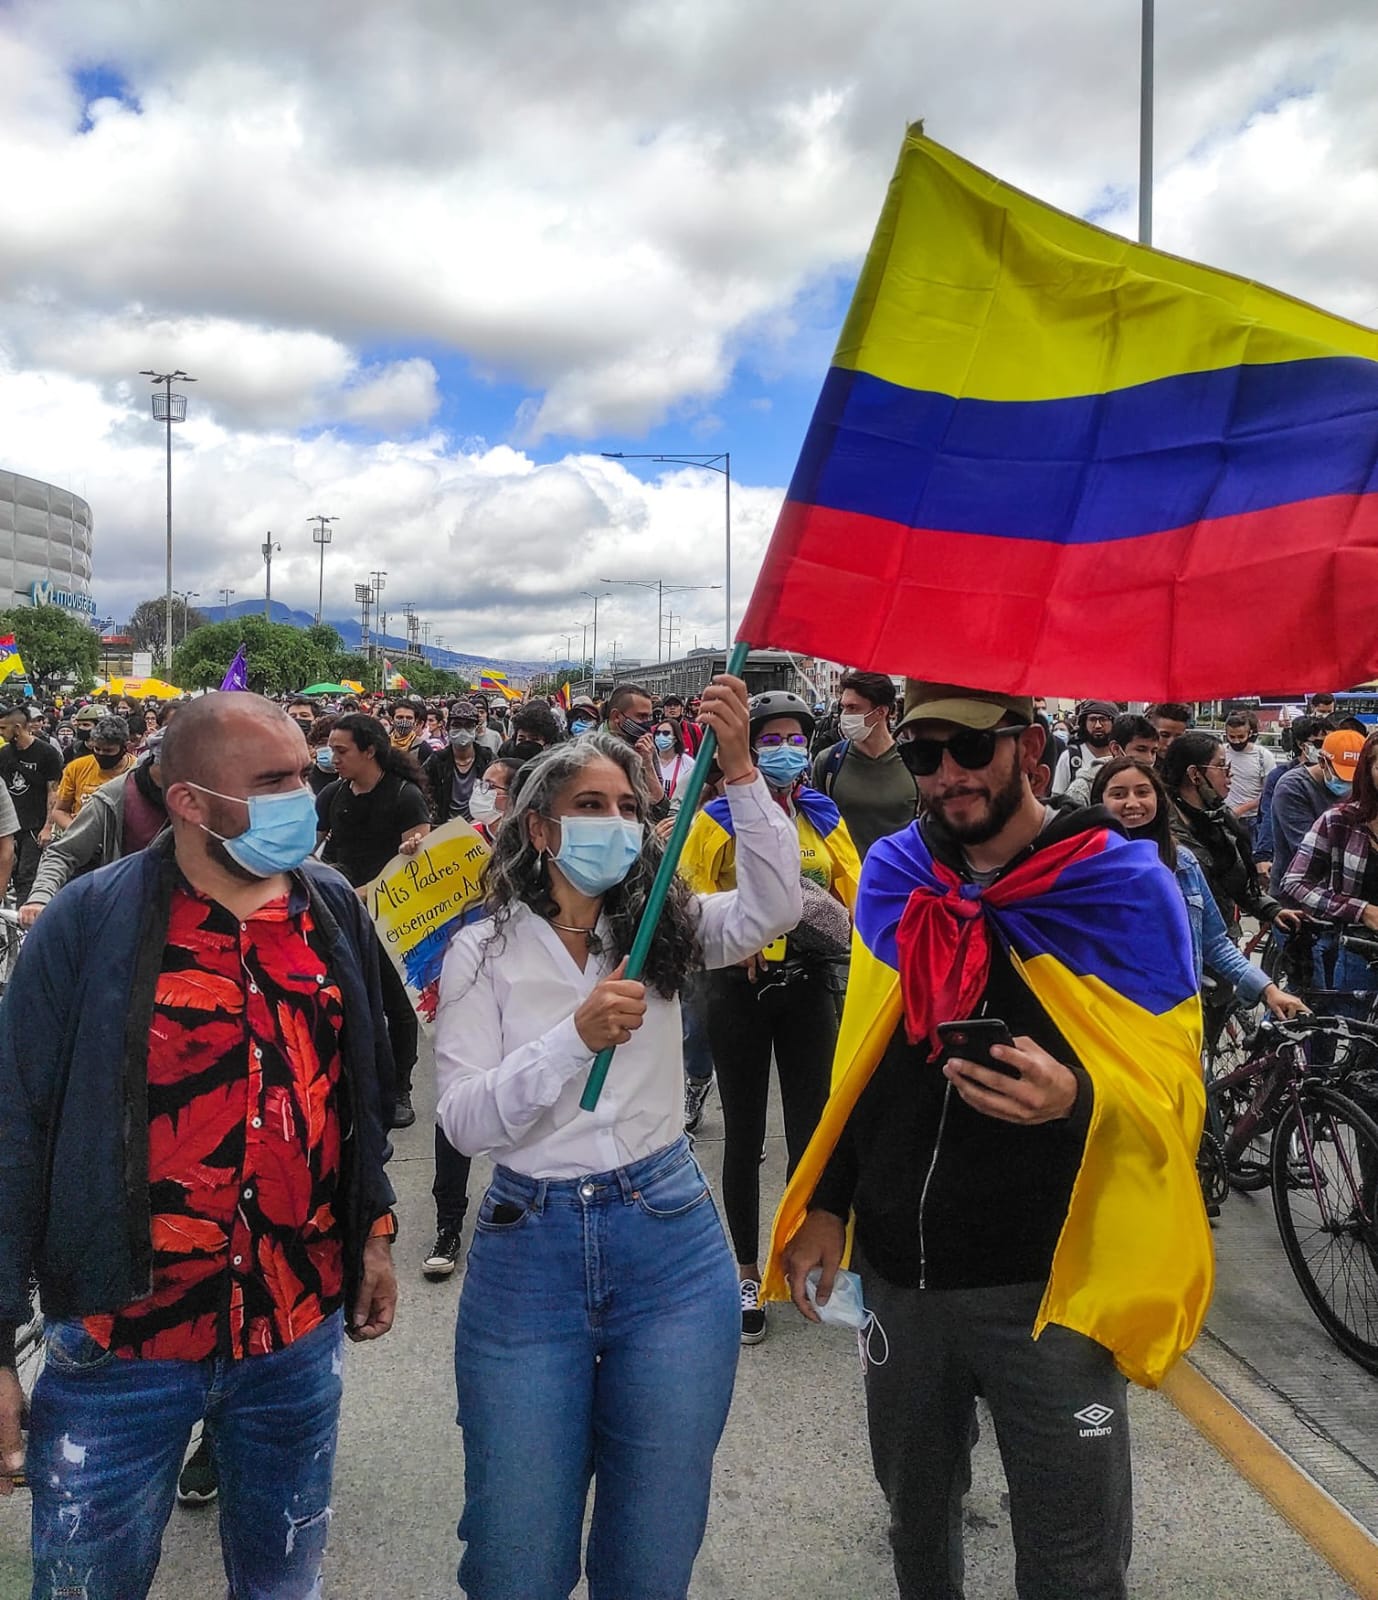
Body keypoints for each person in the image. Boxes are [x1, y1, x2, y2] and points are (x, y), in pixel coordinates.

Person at [772, 680, 1210, 1600]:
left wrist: (1079, 1099)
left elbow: (1175, 1080)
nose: (948, 775)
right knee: (917, 1535)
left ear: (1030, 748)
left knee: (1073, 1561)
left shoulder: (1124, 886)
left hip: (1050, 1286)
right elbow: (867, 1061)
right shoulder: (896, 875)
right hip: (903, 1278)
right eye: (926, 755)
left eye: (971, 749)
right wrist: (828, 1203)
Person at [0, 692, 398, 1598]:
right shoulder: (90, 924)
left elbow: (355, 1090)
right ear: (188, 803)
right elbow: (14, 1127)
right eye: (274, 782)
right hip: (119, 1347)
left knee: (280, 1585)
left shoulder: (327, 906)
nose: (307, 793)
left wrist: (371, 1231)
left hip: (293, 1338)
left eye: (307, 771)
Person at [433, 674, 801, 1600]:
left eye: (631, 807)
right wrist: (571, 1040)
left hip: (670, 1245)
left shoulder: (662, 931)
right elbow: (467, 1120)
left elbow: (771, 908)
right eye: (590, 805)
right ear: (542, 829)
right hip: (528, 1259)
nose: (618, 821)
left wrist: (745, 773)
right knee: (517, 1556)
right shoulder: (480, 949)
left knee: (652, 1550)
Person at [682, 690, 860, 1342]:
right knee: (747, 1135)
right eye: (770, 741)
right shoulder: (712, 821)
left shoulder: (822, 813)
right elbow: (691, 902)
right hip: (737, 992)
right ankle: (746, 1270)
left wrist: (824, 915)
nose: (784, 752)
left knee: (812, 1134)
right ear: (746, 748)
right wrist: (743, 926)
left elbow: (854, 891)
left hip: (810, 988)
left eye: (794, 741)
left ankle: (800, 1253)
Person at [1090, 757, 1306, 1021]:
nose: (1133, 803)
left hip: (1177, 1015)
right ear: (1099, 802)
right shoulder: (1084, 868)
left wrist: (1268, 989)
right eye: (1118, 794)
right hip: (1106, 1018)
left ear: (1158, 800)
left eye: (1143, 792)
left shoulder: (1182, 862)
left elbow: (1213, 942)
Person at [318, 712, 432, 1129]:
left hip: (392, 915)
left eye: (341, 750)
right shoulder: (332, 794)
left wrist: (359, 892)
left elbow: (418, 863)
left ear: (370, 750)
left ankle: (400, 1087)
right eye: (331, 749)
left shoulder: (404, 797)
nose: (334, 758)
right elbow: (317, 850)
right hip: (343, 915)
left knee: (397, 1005)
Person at [21, 731, 169, 925]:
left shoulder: (209, 795)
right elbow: (64, 852)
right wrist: (40, 897)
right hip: (126, 910)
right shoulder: (113, 796)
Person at [1280, 729, 1378, 1016]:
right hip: (1357, 952)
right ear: (1368, 772)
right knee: (1352, 1045)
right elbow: (1295, 882)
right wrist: (1362, 911)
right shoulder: (1339, 821)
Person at [809, 669, 918, 860]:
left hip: (902, 881)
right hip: (846, 882)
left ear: (881, 712)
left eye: (854, 708)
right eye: (843, 708)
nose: (844, 716)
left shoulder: (915, 762)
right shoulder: (828, 762)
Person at [1265, 725, 1358, 896]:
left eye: (1354, 778)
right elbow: (1307, 849)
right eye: (1342, 775)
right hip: (1296, 897)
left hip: (1341, 895)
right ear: (1323, 762)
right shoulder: (1293, 787)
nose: (1349, 784)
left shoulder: (1362, 787)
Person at [1253, 714, 1330, 881]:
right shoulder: (1284, 778)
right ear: (1302, 744)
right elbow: (1268, 816)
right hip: (1291, 871)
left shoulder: (1339, 779)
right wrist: (1263, 855)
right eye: (1318, 743)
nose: (1325, 749)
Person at [0, 702, 60, 906]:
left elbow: (53, 793)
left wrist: (47, 827)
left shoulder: (47, 753)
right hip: (9, 825)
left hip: (33, 825)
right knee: (9, 872)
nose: (1, 733)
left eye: (3, 728)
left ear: (17, 728)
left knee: (27, 876)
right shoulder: (4, 754)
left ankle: (23, 924)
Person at [44, 713, 133, 839]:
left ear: (124, 748)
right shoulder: (77, 767)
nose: (101, 755)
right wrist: (80, 830)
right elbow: (59, 811)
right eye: (97, 749)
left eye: (108, 751)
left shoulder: (136, 771)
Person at [602, 682, 671, 817]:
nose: (647, 723)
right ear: (616, 716)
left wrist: (647, 765)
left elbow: (661, 809)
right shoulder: (587, 749)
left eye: (649, 717)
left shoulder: (646, 748)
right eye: (641, 717)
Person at [1063, 712, 1160, 806]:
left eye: (1153, 751)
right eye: (1141, 750)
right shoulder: (1083, 789)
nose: (1149, 759)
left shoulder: (1156, 784)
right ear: (1116, 749)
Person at [428, 701, 494, 824]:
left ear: (476, 729)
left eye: (468, 725)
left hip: (478, 827)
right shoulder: (437, 760)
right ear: (447, 728)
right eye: (457, 725)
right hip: (444, 827)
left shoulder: (487, 759)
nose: (462, 730)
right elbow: (423, 790)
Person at [1221, 710, 1276, 842]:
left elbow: (1268, 792)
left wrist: (1240, 810)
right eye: (1232, 737)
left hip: (1253, 819)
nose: (1236, 741)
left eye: (1241, 737)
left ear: (1250, 733)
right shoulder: (1220, 752)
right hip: (1224, 815)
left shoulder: (1263, 756)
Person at [1050, 699, 1117, 795]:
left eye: (1103, 719)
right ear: (1084, 723)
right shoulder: (1070, 757)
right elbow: (1057, 798)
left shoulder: (1121, 756)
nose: (1098, 726)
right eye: (1092, 720)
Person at [652, 713, 692, 813]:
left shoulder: (688, 764)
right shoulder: (649, 761)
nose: (661, 736)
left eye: (666, 733)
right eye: (658, 733)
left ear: (675, 737)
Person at [306, 713, 339, 795]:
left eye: (336, 745)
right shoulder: (306, 781)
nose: (328, 748)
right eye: (323, 743)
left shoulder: (352, 781)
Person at [662, 691, 703, 756]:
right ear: (663, 709)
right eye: (668, 705)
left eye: (676, 705)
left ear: (682, 709)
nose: (672, 707)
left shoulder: (694, 729)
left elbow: (702, 755)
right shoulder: (655, 730)